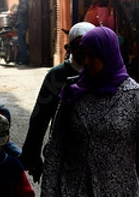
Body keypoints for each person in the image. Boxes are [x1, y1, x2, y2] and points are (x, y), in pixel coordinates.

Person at [41, 26, 139, 197]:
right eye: (83, 55)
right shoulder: (73, 94)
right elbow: (56, 147)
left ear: (107, 55)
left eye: (93, 56)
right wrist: (48, 192)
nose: (86, 61)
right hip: (74, 189)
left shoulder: (134, 96)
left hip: (119, 190)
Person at [20, 21, 95, 181]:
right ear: (70, 47)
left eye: (87, 46)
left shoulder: (102, 74)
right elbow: (40, 117)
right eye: (77, 45)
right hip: (65, 153)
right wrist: (32, 156)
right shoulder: (57, 76)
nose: (82, 51)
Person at [15, 0, 29, 65]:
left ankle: (24, 59)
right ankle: (22, 58)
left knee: (22, 42)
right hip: (21, 23)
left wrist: (16, 12)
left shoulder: (23, 1)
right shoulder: (22, 1)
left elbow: (24, 10)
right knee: (20, 42)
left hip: (22, 24)